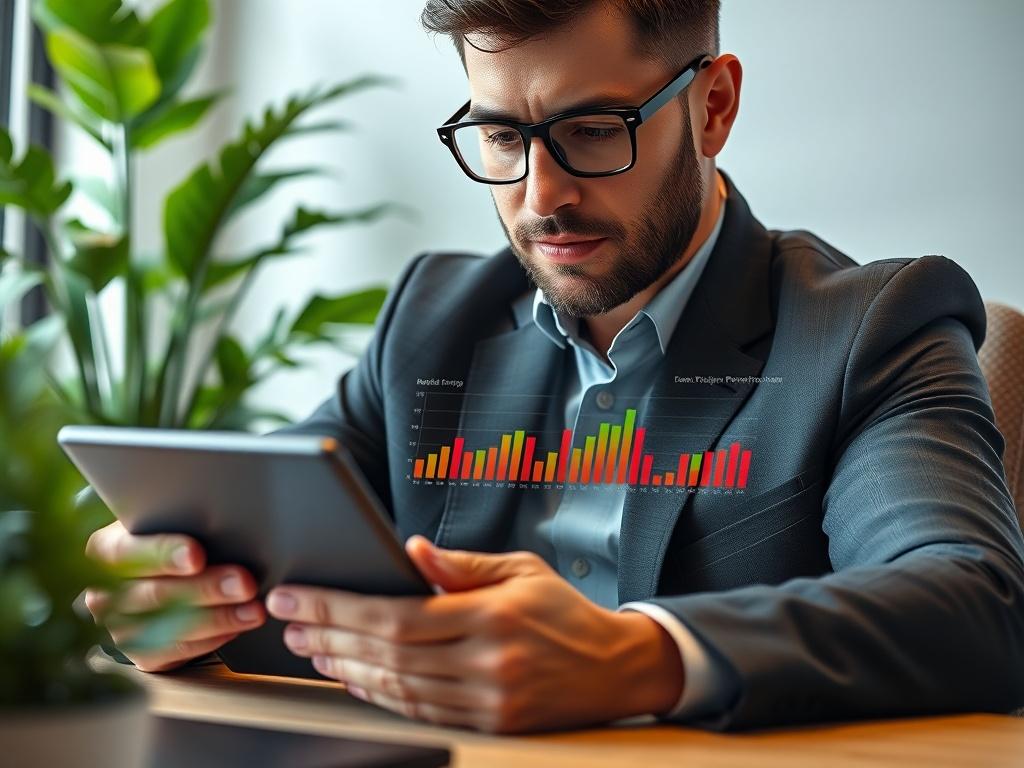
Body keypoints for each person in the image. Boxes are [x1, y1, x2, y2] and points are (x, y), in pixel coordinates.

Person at [84, 0, 1024, 733]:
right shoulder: (433, 321)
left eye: (592, 129)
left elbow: (977, 606)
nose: (541, 196)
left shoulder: (870, 327)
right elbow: (273, 518)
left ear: (713, 106)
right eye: (501, 136)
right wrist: (168, 586)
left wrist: (635, 657)